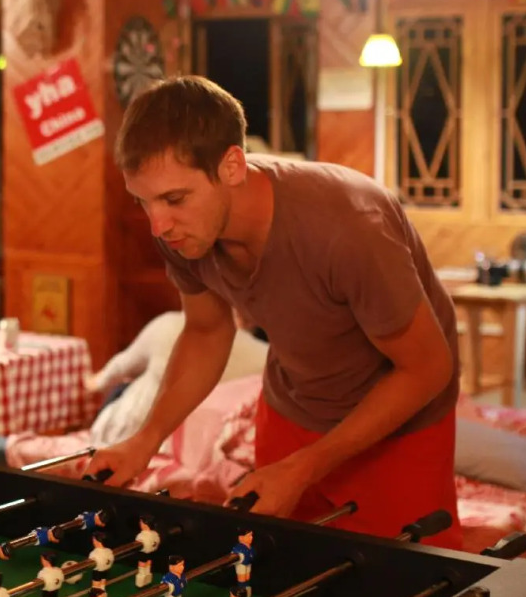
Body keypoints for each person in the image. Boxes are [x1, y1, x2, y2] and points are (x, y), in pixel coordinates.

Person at [87, 76, 460, 547]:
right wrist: (144, 440)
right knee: (280, 579)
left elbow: (428, 369)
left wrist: (305, 467)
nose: (158, 226)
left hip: (399, 424)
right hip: (294, 408)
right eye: (143, 202)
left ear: (232, 166)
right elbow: (205, 333)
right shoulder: (183, 231)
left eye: (174, 199)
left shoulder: (348, 225)